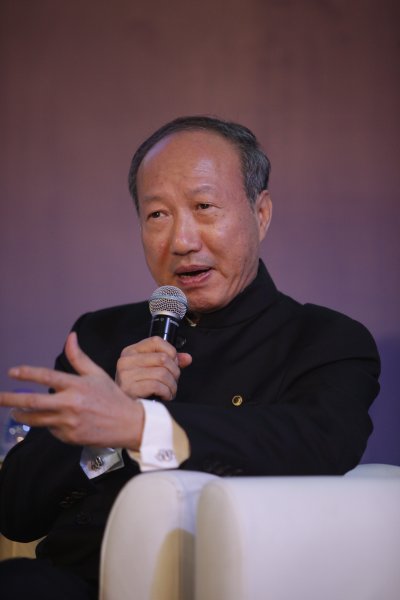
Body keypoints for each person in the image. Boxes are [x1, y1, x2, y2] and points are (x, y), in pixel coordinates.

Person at [0, 116, 380, 598]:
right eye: (158, 215)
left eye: (204, 207)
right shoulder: (99, 334)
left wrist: (140, 426)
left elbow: (317, 444)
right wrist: (103, 427)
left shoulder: (325, 339)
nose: (181, 241)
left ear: (260, 213)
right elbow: (15, 513)